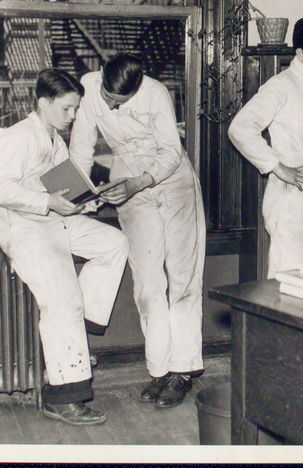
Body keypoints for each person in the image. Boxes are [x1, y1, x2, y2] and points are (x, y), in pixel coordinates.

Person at [0, 69, 129, 426]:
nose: (73, 116)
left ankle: (77, 328)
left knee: (114, 243)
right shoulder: (17, 137)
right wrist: (47, 201)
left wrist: (89, 200)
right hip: (25, 228)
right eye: (66, 109)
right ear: (43, 103)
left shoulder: (54, 139)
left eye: (76, 109)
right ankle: (63, 397)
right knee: (62, 299)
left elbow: (63, 188)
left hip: (54, 218)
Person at [69, 53, 206, 409]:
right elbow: (81, 149)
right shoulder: (86, 89)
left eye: (122, 102)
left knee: (183, 279)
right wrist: (74, 200)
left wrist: (140, 183)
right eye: (110, 99)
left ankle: (184, 370)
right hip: (127, 179)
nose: (113, 106)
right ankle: (159, 369)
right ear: (100, 77)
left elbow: (171, 150)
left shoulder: (157, 92)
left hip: (171, 180)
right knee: (147, 284)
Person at [228, 14, 303, 278]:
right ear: (301, 53)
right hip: (292, 194)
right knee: (290, 274)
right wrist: (278, 168)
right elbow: (240, 128)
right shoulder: (281, 85)